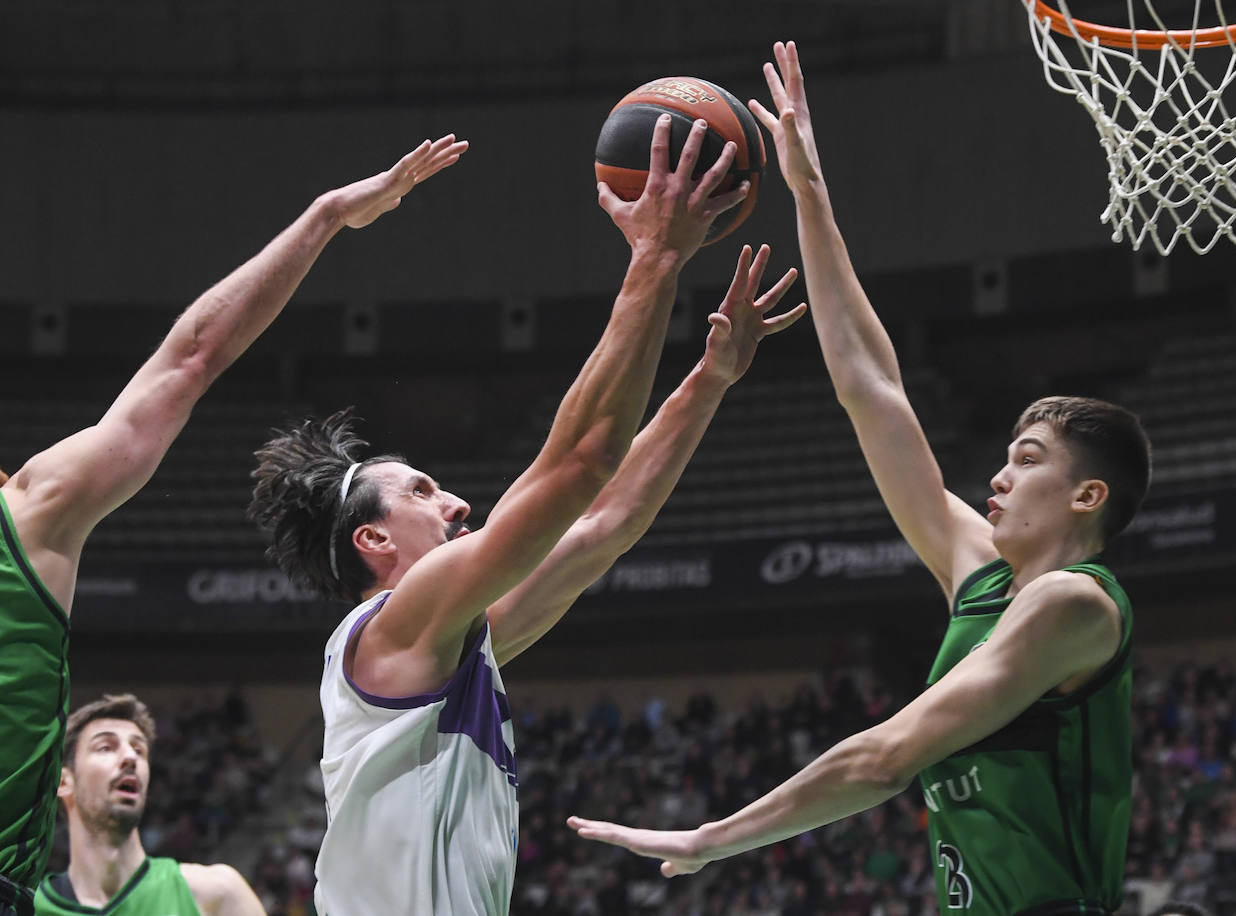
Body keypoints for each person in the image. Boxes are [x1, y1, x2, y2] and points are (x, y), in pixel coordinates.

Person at [567, 41, 1152, 916]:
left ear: (1088, 496)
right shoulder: (983, 573)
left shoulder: (1077, 605)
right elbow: (871, 390)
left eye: (1028, 461)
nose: (997, 475)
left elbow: (885, 759)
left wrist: (712, 838)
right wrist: (809, 191)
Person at [246, 114, 805, 916]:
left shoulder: (454, 644)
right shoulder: (392, 627)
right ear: (371, 539)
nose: (457, 501)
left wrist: (709, 378)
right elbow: (580, 466)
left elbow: (602, 525)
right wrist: (657, 256)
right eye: (422, 491)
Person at [0, 136, 464, 916]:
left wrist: (322, 219)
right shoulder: (33, 511)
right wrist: (325, 220)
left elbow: (189, 361)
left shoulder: (30, 512)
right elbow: (189, 360)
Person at [33, 694, 265, 916]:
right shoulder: (30, 909)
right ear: (63, 782)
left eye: (139, 750)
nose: (130, 758)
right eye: (105, 747)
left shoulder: (219, 894)